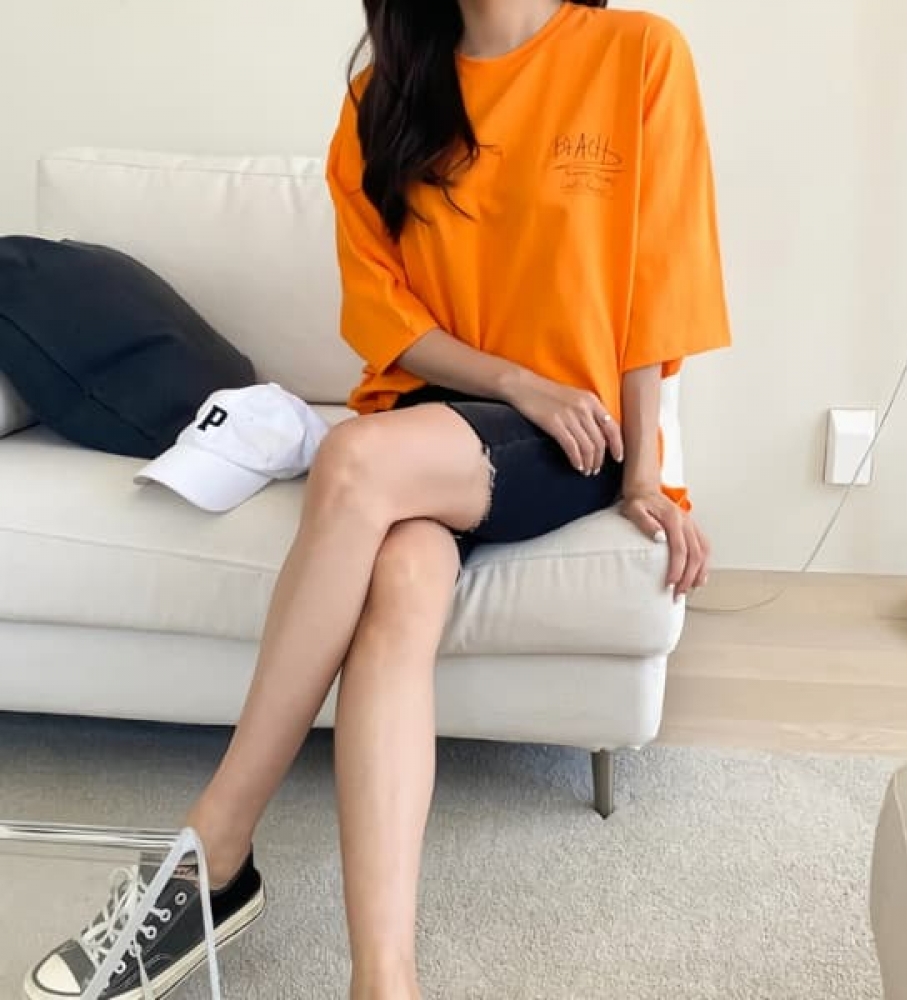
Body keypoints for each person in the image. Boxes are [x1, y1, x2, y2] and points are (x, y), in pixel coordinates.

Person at [25, 1, 730, 998]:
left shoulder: (637, 55)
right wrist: (510, 380)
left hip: (571, 430)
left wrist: (645, 473)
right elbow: (382, 315)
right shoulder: (383, 97)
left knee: (354, 463)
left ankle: (212, 848)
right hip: (432, 414)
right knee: (399, 582)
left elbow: (661, 276)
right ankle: (383, 980)